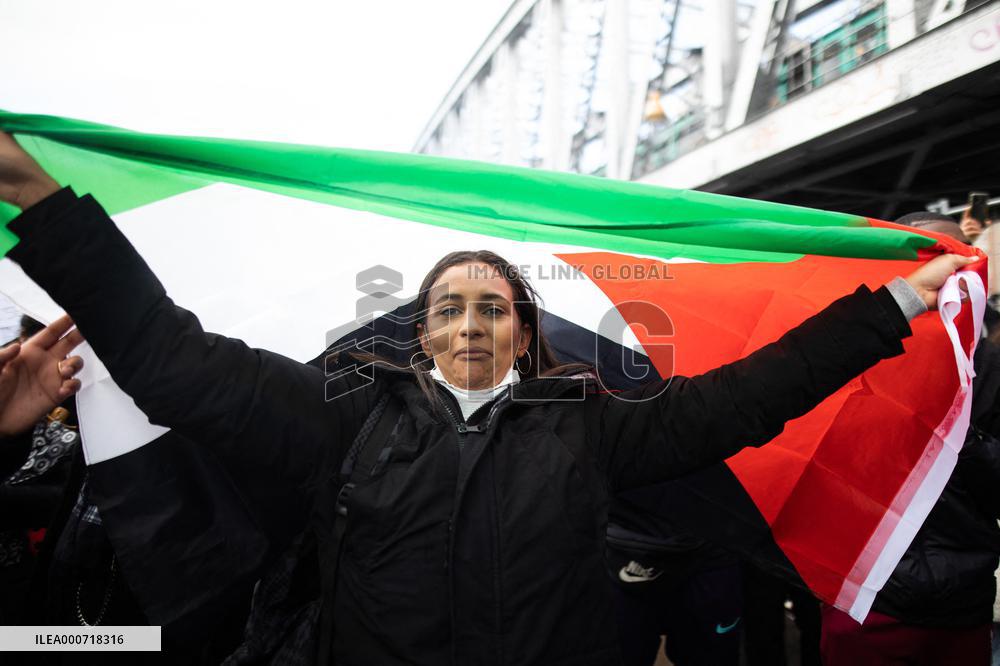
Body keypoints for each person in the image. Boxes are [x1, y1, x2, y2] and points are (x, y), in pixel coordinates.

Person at [0, 130, 977, 665]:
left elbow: (748, 397)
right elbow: (174, 360)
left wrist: (892, 302)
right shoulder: (340, 418)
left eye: (493, 307)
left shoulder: (591, 429)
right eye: (449, 308)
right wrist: (41, 200)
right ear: (421, 333)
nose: (471, 322)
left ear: (523, 332)